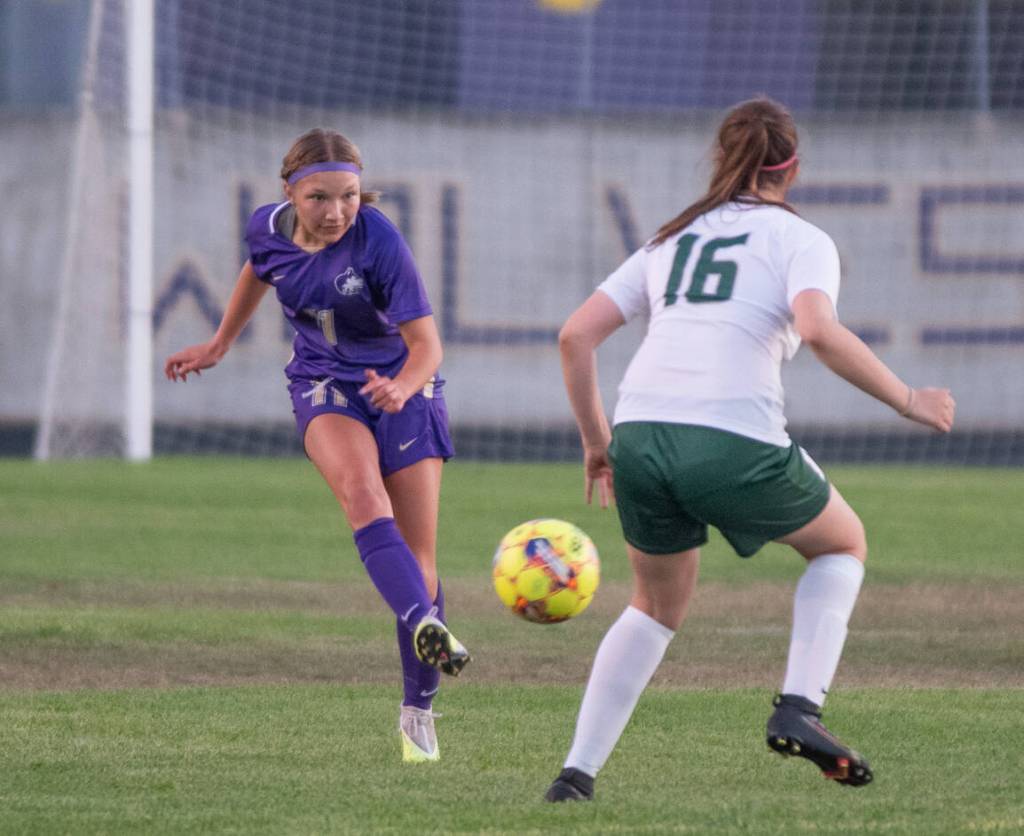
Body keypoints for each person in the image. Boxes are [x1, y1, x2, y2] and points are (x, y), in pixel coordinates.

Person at [544, 97, 955, 801]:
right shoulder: (802, 239)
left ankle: (574, 777)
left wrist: (596, 443)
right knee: (842, 546)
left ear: (722, 158)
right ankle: (799, 707)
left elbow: (574, 336)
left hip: (638, 434)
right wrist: (908, 399)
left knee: (651, 605)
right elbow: (819, 330)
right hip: (728, 436)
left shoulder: (670, 239)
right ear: (790, 167)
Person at [164, 128, 470, 764]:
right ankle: (424, 624)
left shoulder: (379, 239)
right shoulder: (266, 228)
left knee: (421, 558)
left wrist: (404, 387)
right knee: (363, 495)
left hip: (403, 387)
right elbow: (259, 269)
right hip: (324, 382)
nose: (335, 212)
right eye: (319, 198)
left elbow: (428, 347)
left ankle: (418, 712)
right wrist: (219, 342)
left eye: (349, 196)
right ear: (289, 193)